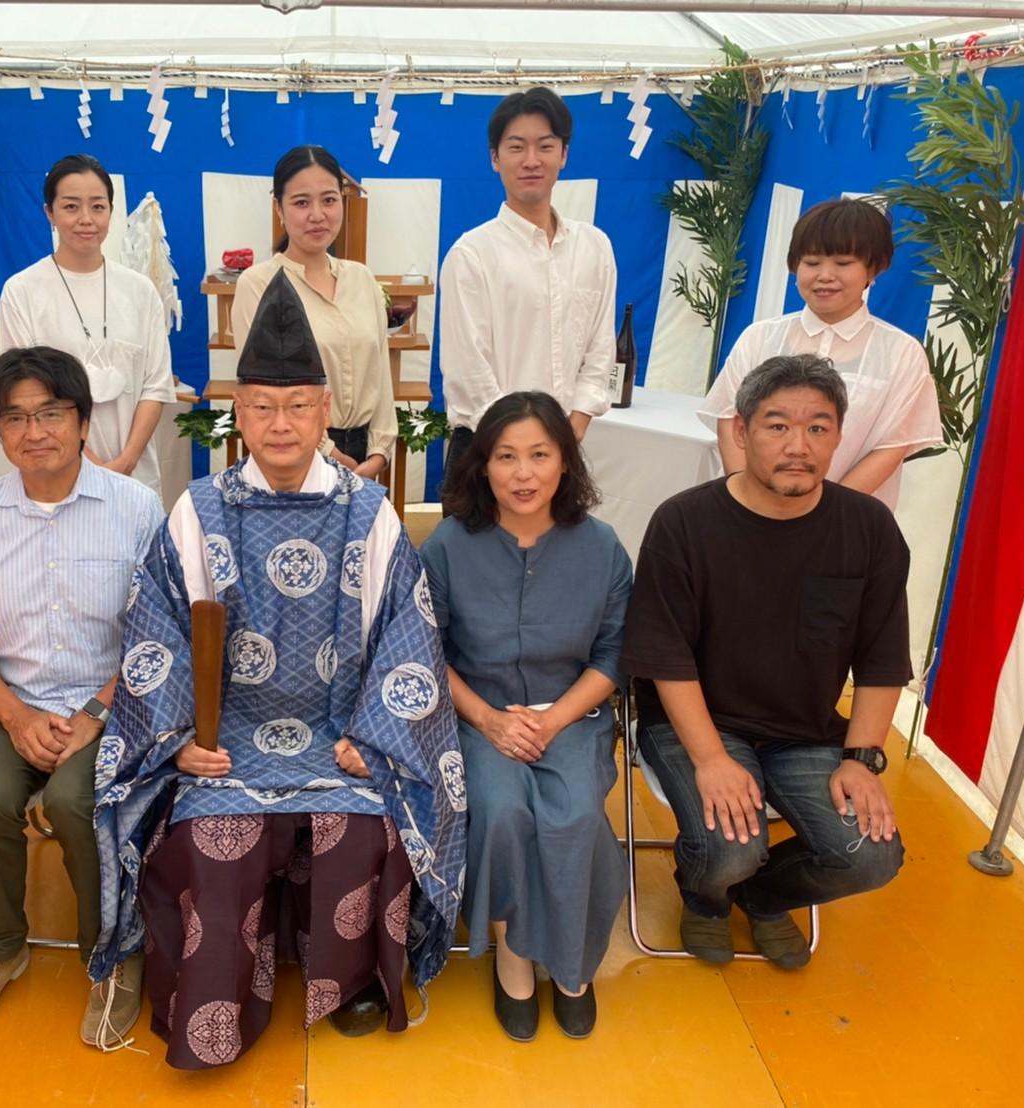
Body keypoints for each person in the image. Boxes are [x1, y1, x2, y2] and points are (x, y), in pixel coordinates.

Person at [88, 271, 465, 1069]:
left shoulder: (368, 512)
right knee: (217, 830)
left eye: (299, 406)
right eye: (262, 406)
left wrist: (379, 737)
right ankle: (218, 1003)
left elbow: (408, 630)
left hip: (339, 734)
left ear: (327, 411)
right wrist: (179, 740)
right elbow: (154, 632)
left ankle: (353, 979)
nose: (281, 424)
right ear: (239, 415)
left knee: (362, 823)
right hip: (230, 736)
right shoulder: (201, 508)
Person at [622, 354, 908, 969]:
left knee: (871, 854)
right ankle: (705, 897)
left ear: (838, 436)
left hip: (804, 731)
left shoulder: (869, 528)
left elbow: (883, 658)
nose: (797, 445)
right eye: (777, 426)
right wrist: (711, 759)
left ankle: (760, 896)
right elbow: (666, 658)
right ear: (743, 431)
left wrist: (861, 760)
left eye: (818, 427)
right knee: (730, 845)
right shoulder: (684, 523)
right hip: (696, 723)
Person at [0, 346, 164, 1045]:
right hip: (16, 702)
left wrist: (96, 710)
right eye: (15, 418)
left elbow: (161, 634)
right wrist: (15, 714)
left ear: (83, 422)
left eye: (51, 414)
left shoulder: (136, 508)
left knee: (72, 800)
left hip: (115, 704)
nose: (35, 432)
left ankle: (112, 953)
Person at [420, 391, 630, 1042]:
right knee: (503, 808)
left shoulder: (602, 547)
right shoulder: (451, 544)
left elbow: (615, 651)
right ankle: (513, 958)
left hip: (573, 714)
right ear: (482, 466)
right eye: (505, 456)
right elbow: (425, 647)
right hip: (476, 712)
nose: (523, 472)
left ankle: (571, 967)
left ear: (565, 462)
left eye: (540, 454)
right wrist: (487, 719)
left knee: (571, 815)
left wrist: (557, 717)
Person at [700, 197, 942, 509]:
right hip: (746, 515)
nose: (825, 275)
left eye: (843, 263)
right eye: (812, 263)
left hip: (843, 521)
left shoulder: (901, 352)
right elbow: (729, 420)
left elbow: (890, 448)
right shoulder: (760, 336)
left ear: (874, 269)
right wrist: (752, 502)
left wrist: (819, 515)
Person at [440, 86, 618, 489]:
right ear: (495, 158)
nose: (532, 160)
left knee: (561, 553)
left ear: (564, 154)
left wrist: (569, 432)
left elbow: (600, 350)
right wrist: (519, 449)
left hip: (563, 450)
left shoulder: (594, 247)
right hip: (485, 453)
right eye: (517, 147)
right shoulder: (472, 254)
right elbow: (467, 370)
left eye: (545, 145)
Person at [0, 154, 177, 496]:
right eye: (71, 207)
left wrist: (125, 462)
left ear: (111, 210)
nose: (86, 220)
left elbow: (156, 385)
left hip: (134, 475)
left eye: (97, 207)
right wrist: (87, 463)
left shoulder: (140, 291)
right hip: (56, 473)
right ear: (49, 212)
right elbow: (20, 391)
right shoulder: (22, 292)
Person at [232, 144, 397, 483]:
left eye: (329, 199)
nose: (318, 214)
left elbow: (380, 374)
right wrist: (330, 453)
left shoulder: (362, 279)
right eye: (301, 202)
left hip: (365, 457)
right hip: (297, 456)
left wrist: (380, 451)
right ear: (279, 208)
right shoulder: (258, 284)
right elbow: (261, 391)